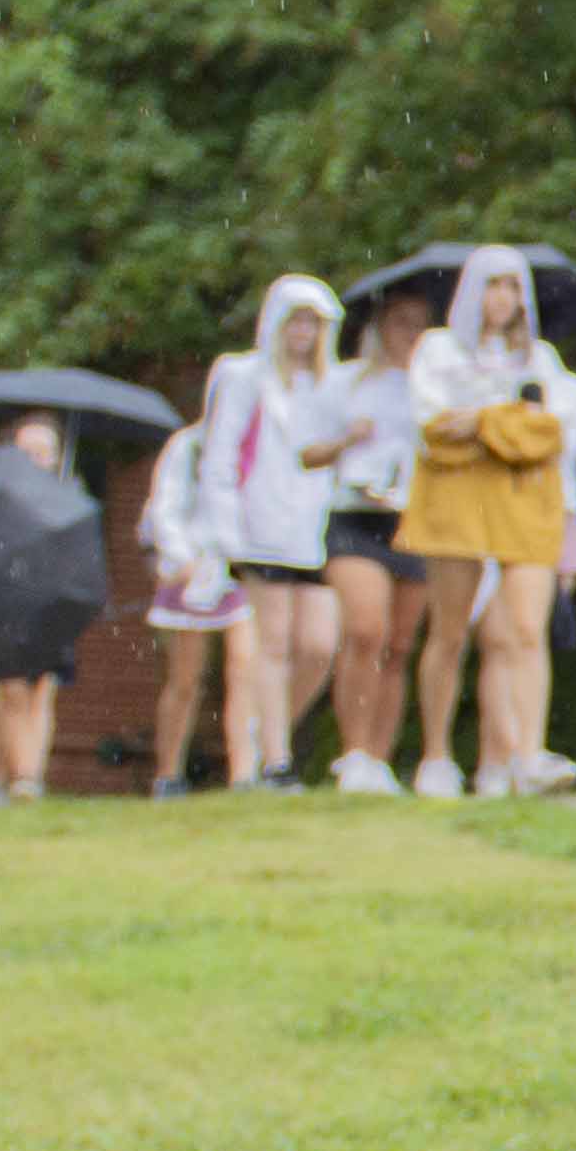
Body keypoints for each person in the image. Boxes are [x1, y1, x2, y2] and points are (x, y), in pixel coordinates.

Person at [399, 245, 576, 797]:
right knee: (451, 630)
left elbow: (556, 434)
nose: (503, 298)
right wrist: (509, 425)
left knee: (526, 631)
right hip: (456, 502)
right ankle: (436, 755)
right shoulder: (438, 350)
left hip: (524, 503)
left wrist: (481, 423)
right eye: (493, 285)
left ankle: (527, 753)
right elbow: (431, 426)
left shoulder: (541, 361)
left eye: (512, 286)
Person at [197, 275, 355, 788]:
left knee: (318, 644)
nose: (304, 332)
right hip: (260, 525)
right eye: (297, 320)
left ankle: (267, 731)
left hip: (312, 529)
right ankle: (275, 760)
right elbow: (220, 457)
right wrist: (226, 533)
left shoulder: (329, 386)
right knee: (274, 642)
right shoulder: (245, 377)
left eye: (314, 322)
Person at [320, 288, 441, 794]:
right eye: (400, 323)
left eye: (420, 324)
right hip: (355, 512)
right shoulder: (347, 382)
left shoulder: (435, 387)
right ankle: (352, 752)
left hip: (412, 516)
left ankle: (379, 755)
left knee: (398, 644)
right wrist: (349, 440)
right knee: (366, 629)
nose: (409, 334)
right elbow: (309, 449)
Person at [0, 410, 80, 807]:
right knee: (8, 691)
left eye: (47, 452)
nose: (39, 460)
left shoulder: (71, 500)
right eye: (29, 451)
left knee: (42, 690)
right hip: (1, 605)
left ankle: (25, 780)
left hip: (50, 608)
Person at [139, 413, 238, 794]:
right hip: (194, 567)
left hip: (241, 566)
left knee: (246, 671)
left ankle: (246, 771)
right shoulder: (189, 445)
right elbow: (165, 507)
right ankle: (168, 773)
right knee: (186, 679)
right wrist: (182, 560)